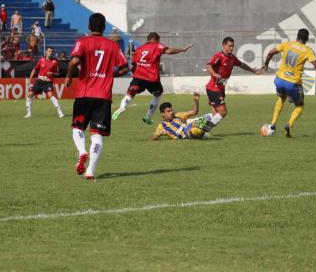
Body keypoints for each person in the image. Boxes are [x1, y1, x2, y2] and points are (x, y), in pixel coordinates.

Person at [64, 13, 129, 180]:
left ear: (89, 26)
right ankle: (90, 171)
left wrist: (69, 77)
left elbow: (73, 62)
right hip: (103, 96)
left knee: (78, 128)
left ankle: (82, 151)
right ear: (104, 27)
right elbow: (124, 68)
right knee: (97, 135)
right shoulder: (113, 46)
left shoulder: (82, 42)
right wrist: (109, 74)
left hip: (85, 93)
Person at [261, 28, 316, 137]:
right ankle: (289, 125)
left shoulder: (288, 44)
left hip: (279, 80)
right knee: (299, 105)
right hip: (293, 83)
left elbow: (271, 52)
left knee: (281, 98)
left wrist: (266, 64)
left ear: (297, 37)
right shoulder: (307, 50)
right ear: (307, 39)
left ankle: (273, 124)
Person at [112, 32, 193, 124]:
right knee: (157, 95)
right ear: (155, 39)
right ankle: (148, 116)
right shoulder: (157, 45)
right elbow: (169, 51)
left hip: (138, 77)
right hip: (152, 78)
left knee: (130, 94)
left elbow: (133, 66)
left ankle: (122, 107)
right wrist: (182, 49)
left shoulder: (139, 49)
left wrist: (135, 74)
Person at [205, 36, 260, 131]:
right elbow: (209, 65)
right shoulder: (219, 56)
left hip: (221, 88)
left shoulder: (232, 58)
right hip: (214, 88)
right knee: (223, 112)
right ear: (224, 45)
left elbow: (241, 64)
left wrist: (253, 71)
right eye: (230, 46)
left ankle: (198, 127)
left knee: (215, 114)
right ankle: (203, 129)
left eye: (233, 46)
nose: (232, 48)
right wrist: (214, 74)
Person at [25, 47, 64, 119]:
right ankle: (29, 113)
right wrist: (30, 79)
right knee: (29, 95)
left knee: (51, 95)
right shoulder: (41, 60)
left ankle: (60, 112)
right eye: (49, 51)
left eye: (51, 51)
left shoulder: (55, 62)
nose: (50, 53)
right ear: (46, 52)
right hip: (39, 81)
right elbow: (34, 69)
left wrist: (52, 73)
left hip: (48, 82)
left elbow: (58, 73)